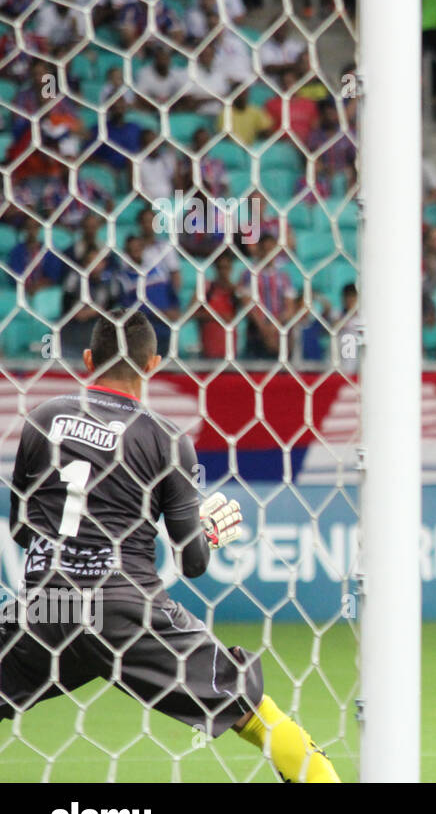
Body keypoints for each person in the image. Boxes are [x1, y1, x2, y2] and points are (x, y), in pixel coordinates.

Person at [1, 310, 338, 782]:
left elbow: (21, 531)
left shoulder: (42, 418)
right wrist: (207, 534)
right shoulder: (165, 438)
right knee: (245, 702)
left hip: (46, 608)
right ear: (153, 364)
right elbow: (192, 562)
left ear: (87, 358)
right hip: (124, 610)